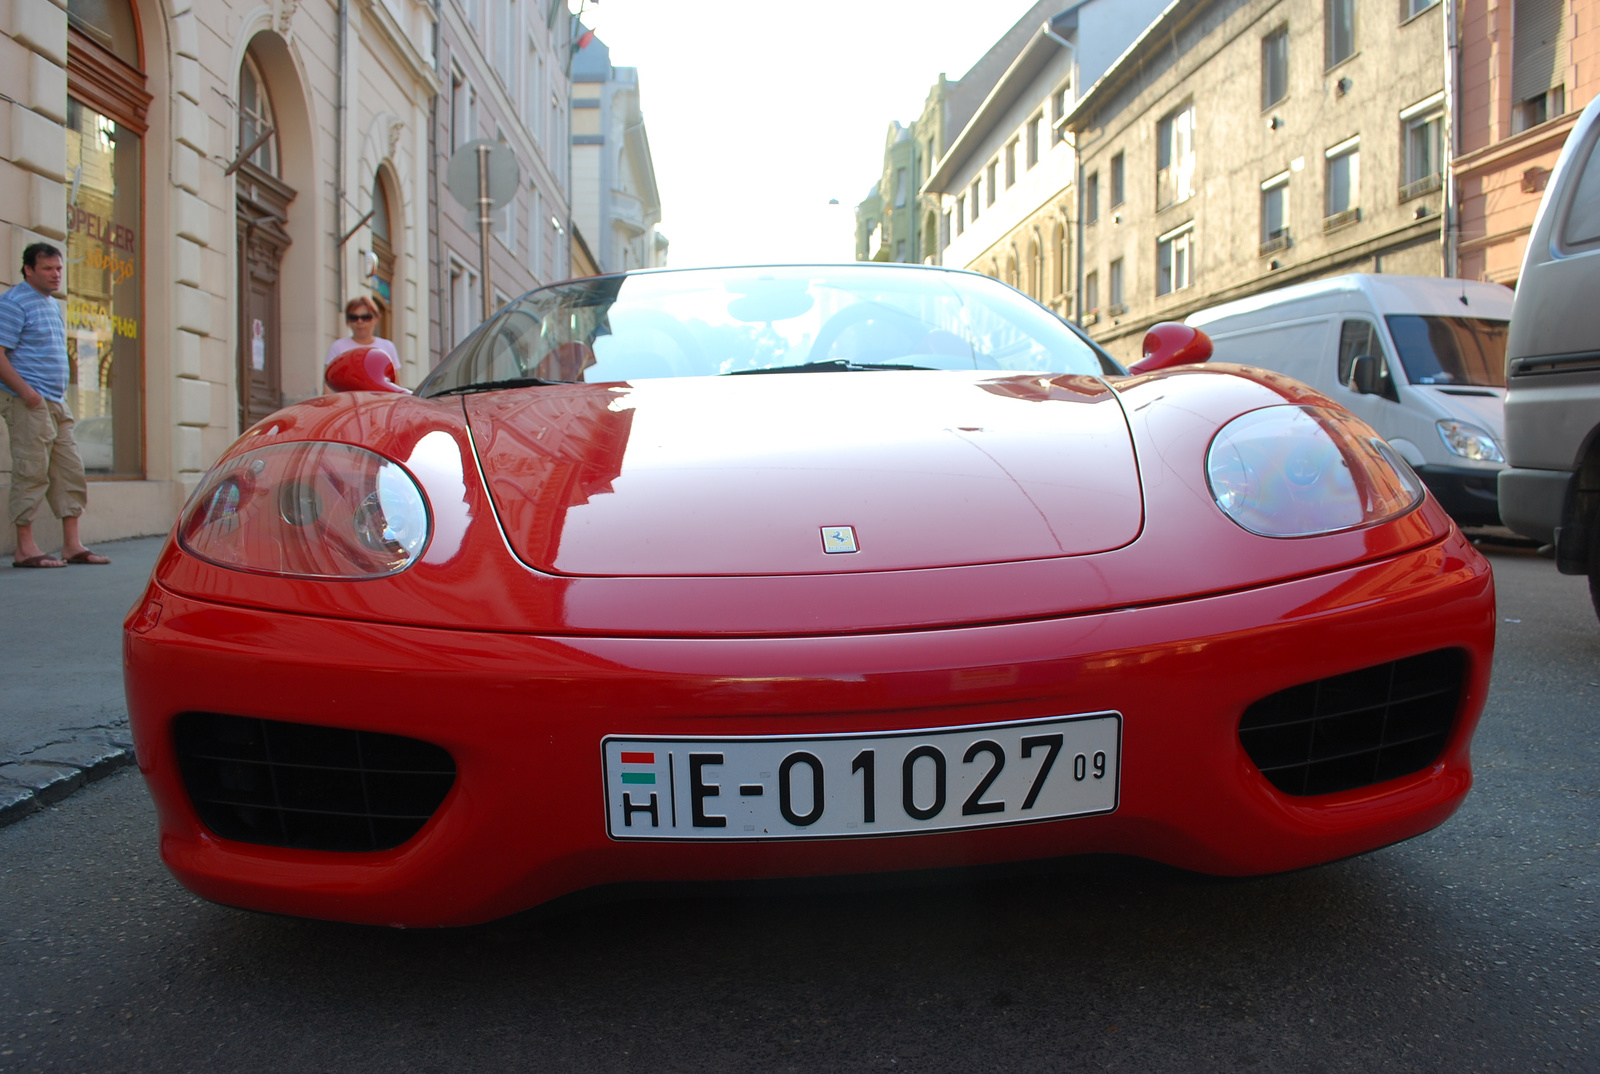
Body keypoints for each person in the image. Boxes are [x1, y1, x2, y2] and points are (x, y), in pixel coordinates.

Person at [0, 243, 109, 568]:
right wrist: (28, 394)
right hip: (28, 401)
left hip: (55, 402)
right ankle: (25, 549)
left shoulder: (50, 304)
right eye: (47, 269)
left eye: (58, 269)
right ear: (28, 270)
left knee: (70, 471)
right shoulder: (14, 302)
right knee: (31, 470)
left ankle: (72, 545)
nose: (55, 274)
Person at [325, 296, 400, 376]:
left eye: (366, 317)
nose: (359, 322)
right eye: (354, 318)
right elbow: (329, 381)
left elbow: (396, 382)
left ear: (376, 319)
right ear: (348, 321)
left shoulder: (388, 347)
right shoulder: (338, 347)